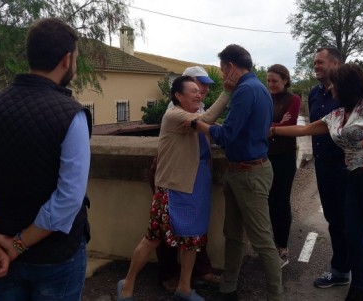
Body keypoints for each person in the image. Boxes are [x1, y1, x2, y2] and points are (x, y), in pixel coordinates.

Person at [0, 18, 92, 300]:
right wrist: (17, 246)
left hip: (1, 250)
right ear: (67, 60)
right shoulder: (72, 115)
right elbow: (68, 198)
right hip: (55, 256)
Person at [273, 64, 363, 301]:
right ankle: (358, 288)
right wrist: (273, 130)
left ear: (346, 84)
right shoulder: (337, 114)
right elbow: (305, 129)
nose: (331, 88)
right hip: (353, 182)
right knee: (352, 236)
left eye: (334, 83)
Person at [118, 76, 231, 301]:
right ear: (178, 96)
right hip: (173, 188)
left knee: (193, 240)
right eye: (193, 91)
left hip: (196, 188)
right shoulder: (174, 115)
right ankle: (127, 282)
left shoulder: (194, 116)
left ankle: (184, 288)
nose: (199, 94)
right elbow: (208, 119)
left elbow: (216, 129)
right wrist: (227, 91)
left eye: (200, 91)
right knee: (153, 238)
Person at [188, 44, 282, 301]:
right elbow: (244, 128)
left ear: (230, 66)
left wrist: (201, 125)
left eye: (222, 68)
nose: (222, 73)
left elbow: (227, 135)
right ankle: (228, 285)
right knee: (233, 233)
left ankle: (276, 295)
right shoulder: (259, 88)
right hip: (246, 170)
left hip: (248, 173)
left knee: (262, 240)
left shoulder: (244, 91)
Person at [308, 47, 363, 297]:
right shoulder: (314, 94)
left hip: (347, 169)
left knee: (355, 227)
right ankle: (340, 270)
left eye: (320, 62)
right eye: (314, 62)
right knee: (334, 222)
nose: (315, 66)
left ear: (335, 63)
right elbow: (314, 128)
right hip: (323, 167)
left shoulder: (351, 94)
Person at [155, 66, 222, 293]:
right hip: (175, 176)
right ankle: (168, 276)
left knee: (192, 230)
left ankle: (196, 275)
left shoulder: (197, 106)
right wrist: (228, 93)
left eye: (205, 86)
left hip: (193, 176)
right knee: (168, 231)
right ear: (184, 87)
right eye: (198, 84)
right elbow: (204, 122)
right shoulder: (177, 110)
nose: (203, 89)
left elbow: (209, 127)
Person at [265, 64, 301, 268]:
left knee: (281, 201)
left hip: (284, 157)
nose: (271, 84)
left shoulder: (293, 99)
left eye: (275, 81)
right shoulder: (267, 98)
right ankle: (272, 245)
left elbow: (291, 125)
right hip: (266, 156)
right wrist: (275, 125)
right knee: (268, 202)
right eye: (269, 81)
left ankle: (283, 248)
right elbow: (260, 124)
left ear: (285, 80)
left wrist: (272, 128)